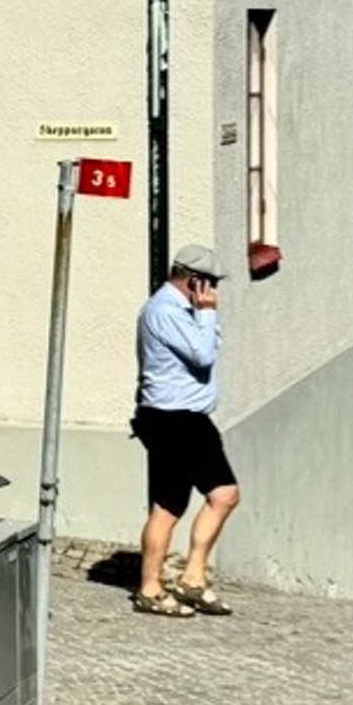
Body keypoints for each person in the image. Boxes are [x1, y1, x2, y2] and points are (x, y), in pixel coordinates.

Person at [130, 247, 240, 618]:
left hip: (181, 418)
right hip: (175, 418)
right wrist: (208, 313)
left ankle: (185, 580)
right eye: (211, 283)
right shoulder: (165, 311)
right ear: (194, 281)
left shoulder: (180, 310)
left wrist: (204, 314)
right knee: (208, 498)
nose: (215, 292)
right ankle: (155, 587)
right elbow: (203, 355)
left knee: (181, 502)